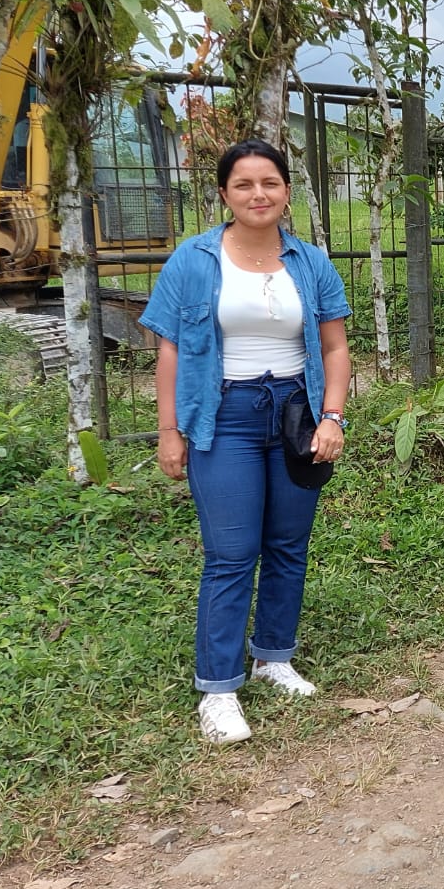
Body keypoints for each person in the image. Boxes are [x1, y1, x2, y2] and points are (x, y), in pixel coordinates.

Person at [140, 140, 352, 744]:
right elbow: (169, 352)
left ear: (286, 190)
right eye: (244, 184)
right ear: (224, 194)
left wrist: (332, 417)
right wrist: (169, 431)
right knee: (231, 554)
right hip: (224, 416)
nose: (258, 194)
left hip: (294, 414)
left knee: (288, 544)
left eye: (270, 183)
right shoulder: (194, 260)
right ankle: (219, 690)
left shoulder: (310, 263)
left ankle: (273, 657)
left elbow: (335, 347)